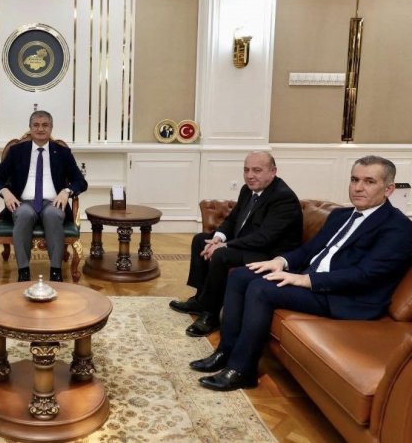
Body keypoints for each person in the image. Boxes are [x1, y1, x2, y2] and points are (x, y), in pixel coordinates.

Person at [190, 155, 412, 392]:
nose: (358, 187)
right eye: (354, 179)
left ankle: (242, 370)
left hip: (346, 297)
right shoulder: (340, 216)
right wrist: (281, 261)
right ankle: (225, 352)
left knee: (261, 289)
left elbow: (365, 275)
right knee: (241, 275)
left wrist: (305, 279)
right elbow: (309, 250)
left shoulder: (398, 228)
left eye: (369, 182)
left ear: (388, 189)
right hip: (313, 280)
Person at [170, 151, 303, 337]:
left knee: (221, 255)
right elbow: (232, 220)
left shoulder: (283, 198)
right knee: (200, 240)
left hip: (269, 254)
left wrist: (225, 246)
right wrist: (218, 238)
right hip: (251, 245)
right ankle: (200, 300)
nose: (250, 175)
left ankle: (211, 315)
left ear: (273, 171)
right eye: (246, 170)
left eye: (257, 170)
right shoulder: (247, 190)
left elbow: (264, 237)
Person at [0, 110, 88, 282]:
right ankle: (23, 272)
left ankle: (55, 271)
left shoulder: (62, 153)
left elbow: (80, 181)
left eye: (45, 125)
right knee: (24, 214)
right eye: (36, 125)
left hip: (53, 202)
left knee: (53, 214)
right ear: (30, 128)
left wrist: (66, 191)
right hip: (23, 202)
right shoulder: (16, 151)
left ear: (51, 128)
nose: (40, 129)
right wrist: (5, 192)